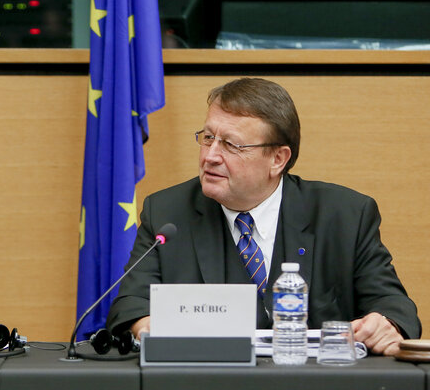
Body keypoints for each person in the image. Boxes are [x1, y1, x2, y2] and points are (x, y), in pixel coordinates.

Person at [106, 77, 420, 356]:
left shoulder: (345, 216)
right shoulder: (168, 212)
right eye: (207, 137)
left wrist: (386, 323)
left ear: (277, 159)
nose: (210, 156)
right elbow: (129, 305)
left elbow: (394, 306)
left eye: (230, 144)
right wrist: (146, 326)